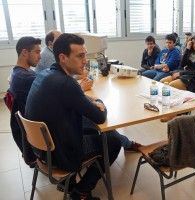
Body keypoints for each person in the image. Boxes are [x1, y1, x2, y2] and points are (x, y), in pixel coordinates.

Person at [25, 33, 121, 200]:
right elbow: (100, 117)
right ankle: (81, 192)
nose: (85, 60)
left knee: (91, 127)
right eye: (80, 56)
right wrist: (99, 101)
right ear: (63, 57)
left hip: (42, 149)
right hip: (60, 155)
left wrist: (85, 99)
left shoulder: (45, 74)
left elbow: (73, 99)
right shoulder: (66, 83)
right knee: (113, 140)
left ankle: (68, 182)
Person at [8, 36, 41, 166]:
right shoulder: (27, 78)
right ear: (25, 53)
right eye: (37, 52)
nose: (40, 56)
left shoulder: (17, 72)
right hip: (39, 138)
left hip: (28, 136)